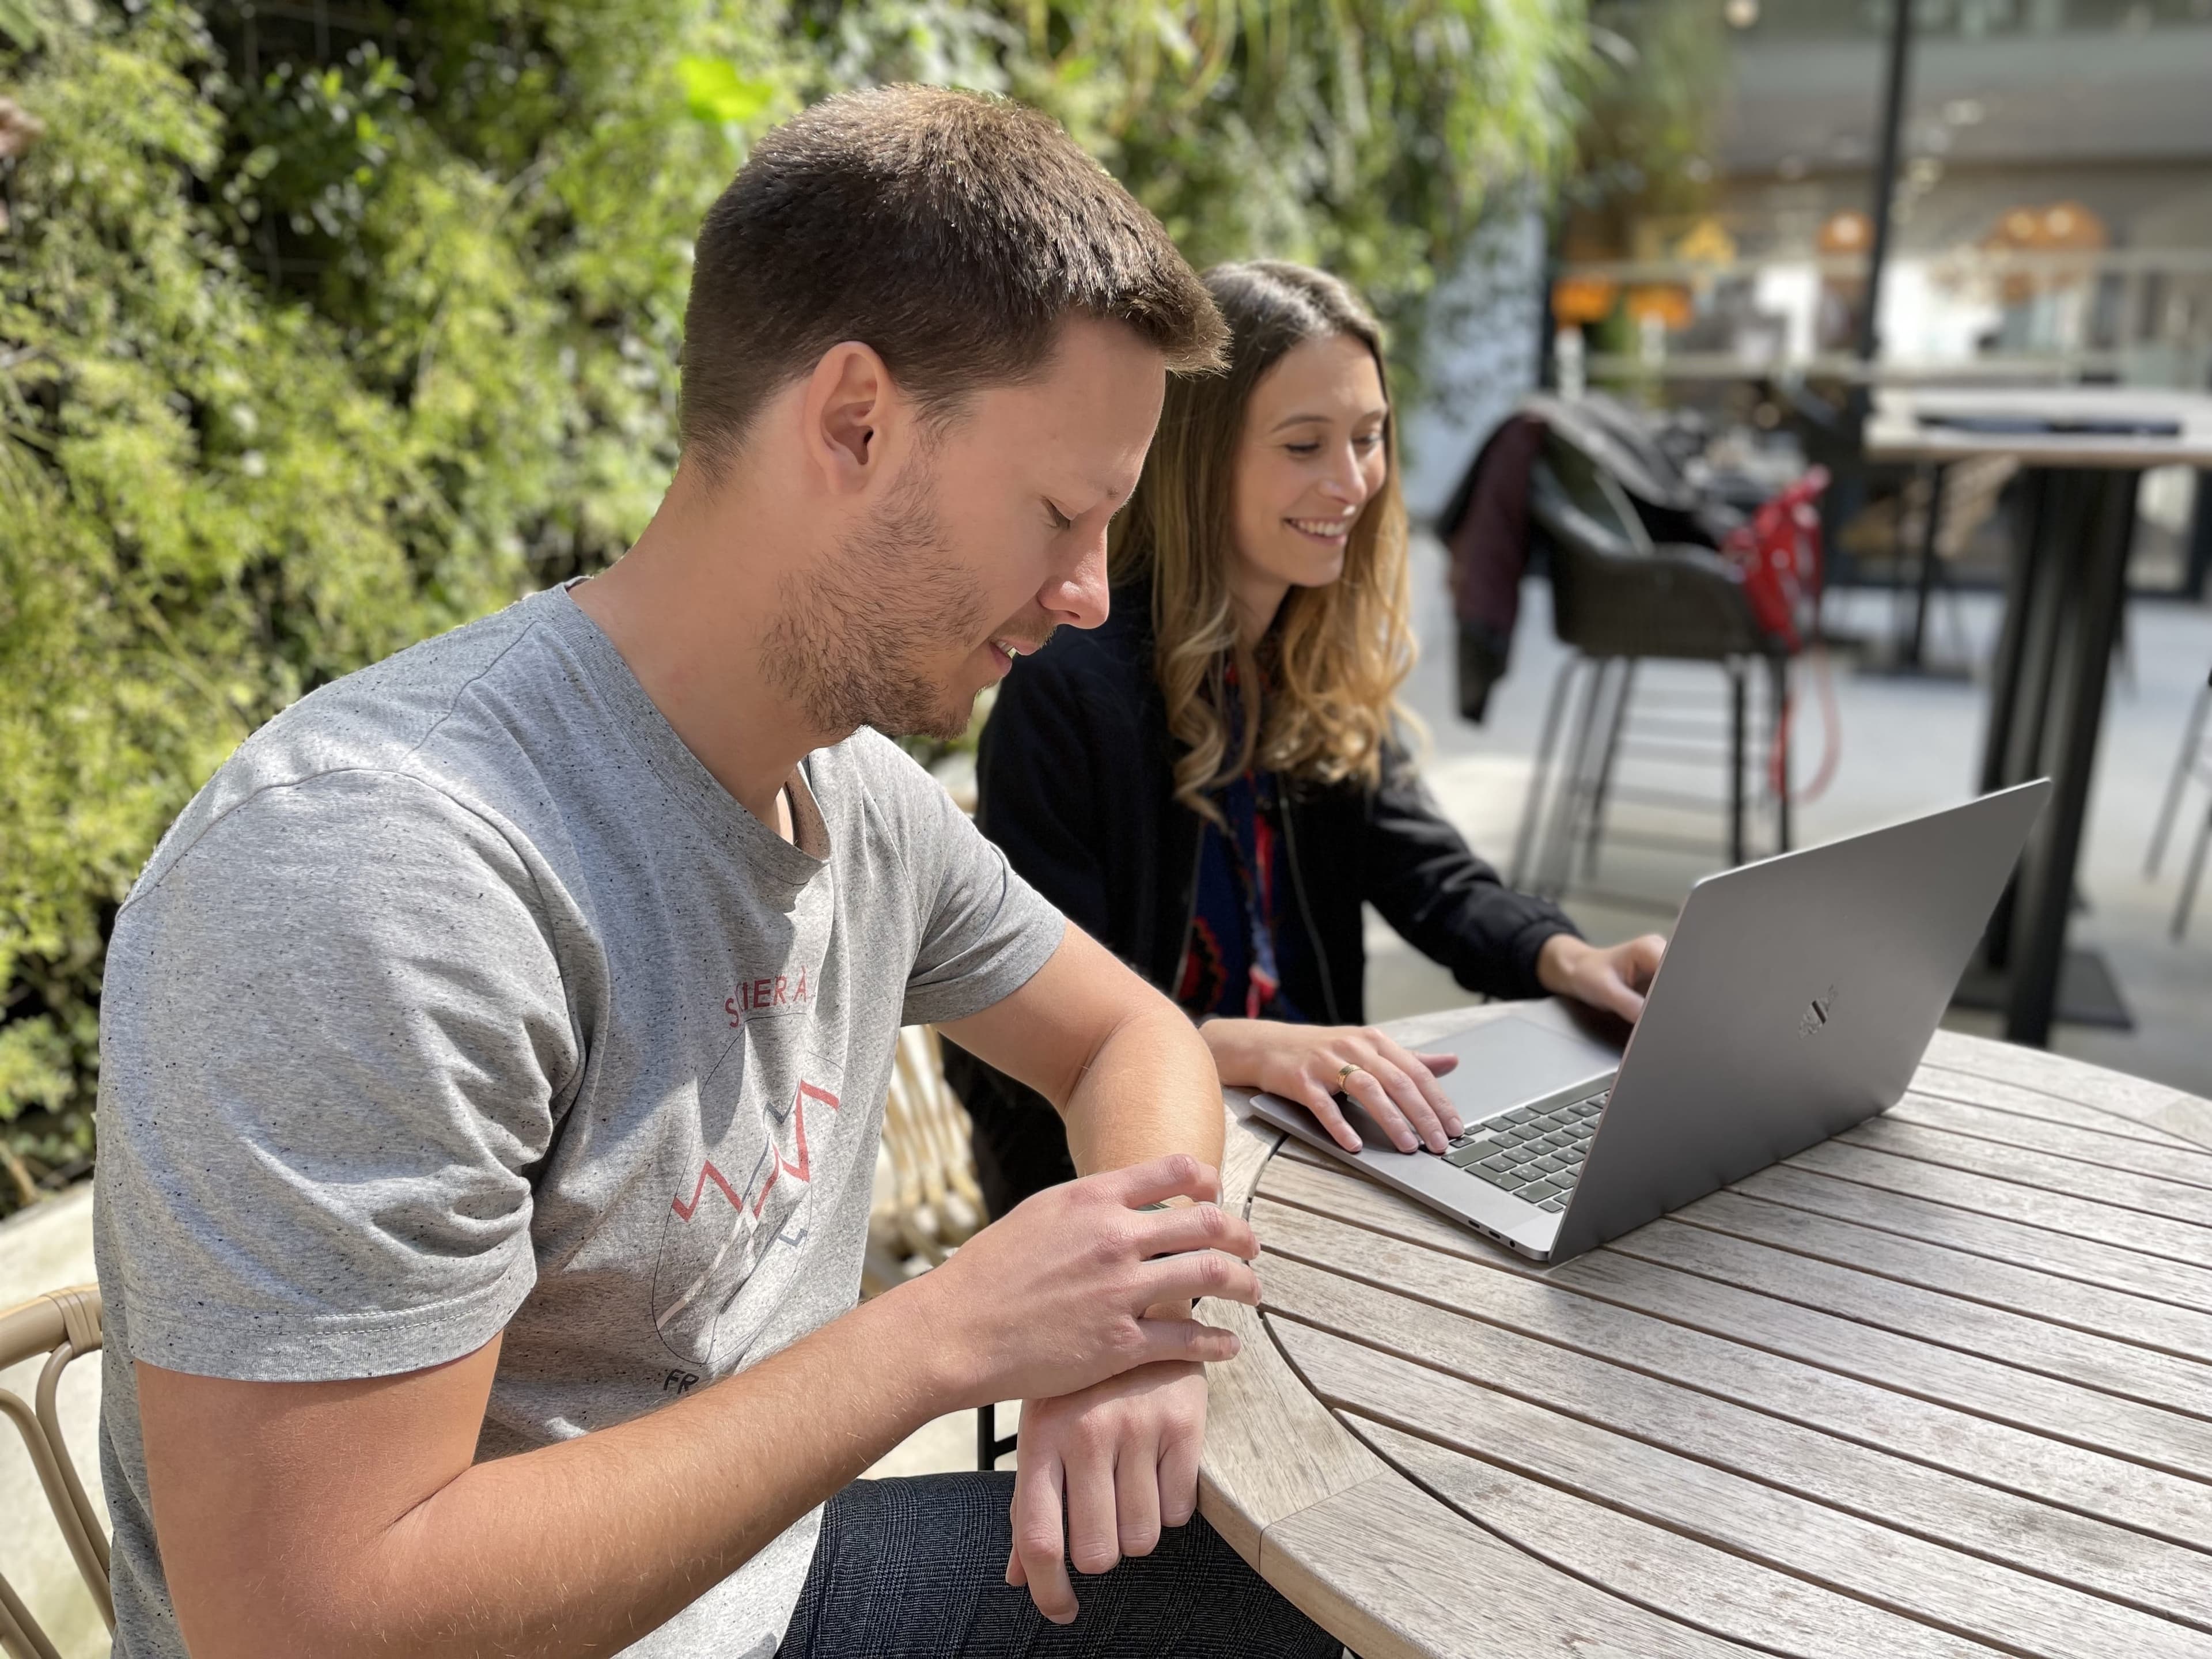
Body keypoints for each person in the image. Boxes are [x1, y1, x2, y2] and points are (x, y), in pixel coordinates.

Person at [93, 90, 1342, 1659]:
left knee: (1302, 1580)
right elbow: (304, 1628)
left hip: (763, 1594)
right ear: (853, 423)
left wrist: (1130, 1328)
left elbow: (1128, 1039)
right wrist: (951, 1333)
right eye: (1063, 514)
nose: (1092, 596)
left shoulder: (858, 796)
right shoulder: (374, 870)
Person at [947, 262, 1667, 1218]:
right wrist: (1241, 1048)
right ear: (1202, 458)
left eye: (1369, 440)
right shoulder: (1072, 689)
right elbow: (1027, 1043)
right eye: (1303, 445)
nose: (1350, 482)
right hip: (1119, 1187)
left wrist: (1569, 960)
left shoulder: (1310, 658)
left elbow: (1433, 877)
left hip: (1313, 1152)